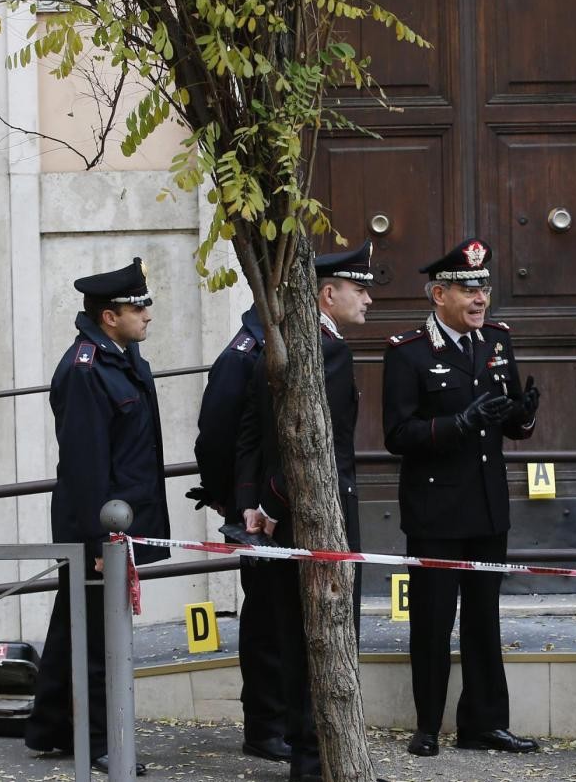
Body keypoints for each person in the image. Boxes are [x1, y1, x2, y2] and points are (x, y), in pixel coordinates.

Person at [381, 237, 542, 758]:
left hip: (487, 507)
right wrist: (456, 424)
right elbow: (396, 434)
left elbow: (511, 422)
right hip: (436, 511)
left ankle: (485, 723)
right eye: (467, 289)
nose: (480, 299)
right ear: (437, 295)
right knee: (432, 619)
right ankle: (428, 724)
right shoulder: (408, 352)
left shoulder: (495, 340)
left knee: (483, 618)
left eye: (484, 289)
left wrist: (524, 414)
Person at [24, 257, 170, 777]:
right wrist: (101, 545)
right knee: (98, 640)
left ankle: (50, 727)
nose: (148, 315)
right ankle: (101, 743)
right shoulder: (86, 369)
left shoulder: (124, 358)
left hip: (121, 524)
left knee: (74, 627)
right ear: (111, 316)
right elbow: (86, 470)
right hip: (101, 530)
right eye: (139, 307)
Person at [234, 242, 373, 782]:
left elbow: (250, 434)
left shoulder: (278, 339)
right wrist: (268, 504)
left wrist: (252, 502)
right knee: (321, 638)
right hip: (314, 516)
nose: (368, 301)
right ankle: (317, 761)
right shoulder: (324, 350)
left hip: (278, 514)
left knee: (294, 637)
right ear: (328, 293)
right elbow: (316, 446)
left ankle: (309, 758)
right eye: (360, 291)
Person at [190, 305, 291, 763]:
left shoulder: (279, 343)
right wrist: (227, 497)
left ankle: (284, 721)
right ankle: (266, 727)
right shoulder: (244, 352)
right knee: (266, 620)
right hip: (253, 512)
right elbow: (215, 434)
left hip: (269, 507)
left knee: (282, 619)